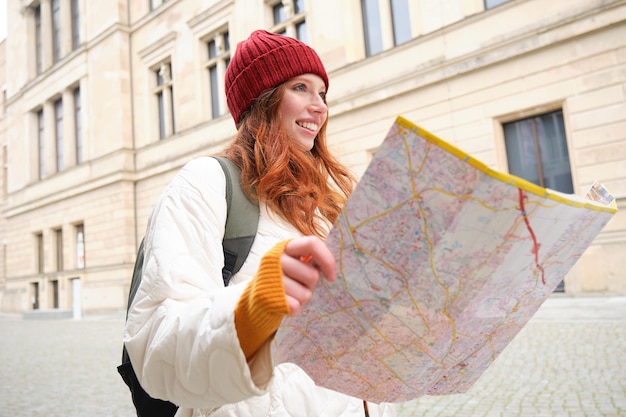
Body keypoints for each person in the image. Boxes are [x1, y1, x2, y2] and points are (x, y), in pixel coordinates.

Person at [123, 29, 397, 417]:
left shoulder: (324, 206)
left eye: (322, 93)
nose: (319, 106)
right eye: (301, 87)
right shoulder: (206, 182)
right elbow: (156, 346)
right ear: (262, 100)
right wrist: (253, 308)